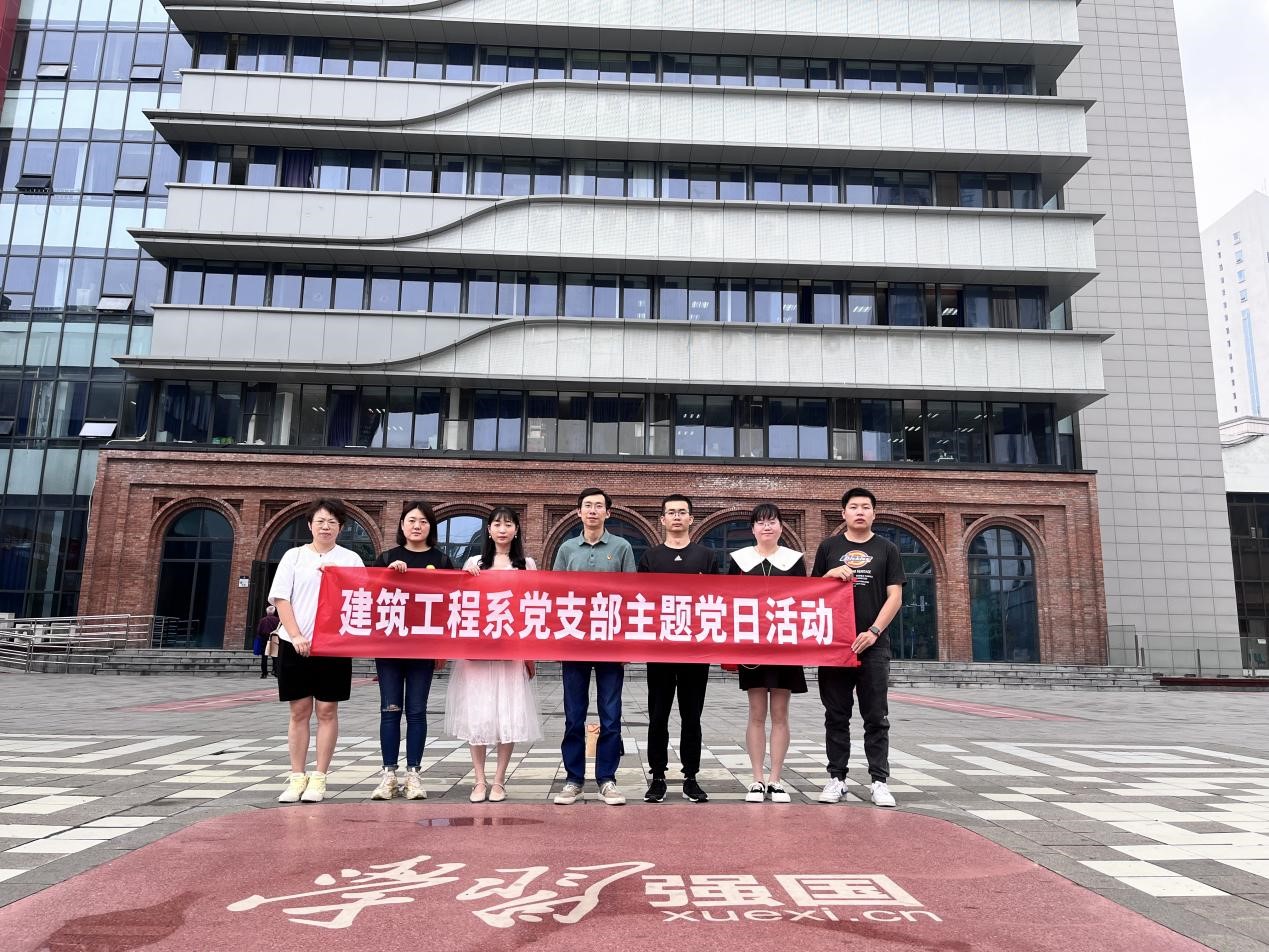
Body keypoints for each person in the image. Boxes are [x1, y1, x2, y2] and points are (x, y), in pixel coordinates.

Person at [811, 487, 905, 808]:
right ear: (844, 513)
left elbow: (895, 596)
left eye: (866, 507)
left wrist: (874, 631)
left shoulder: (887, 549)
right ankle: (836, 779)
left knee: (876, 716)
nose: (860, 511)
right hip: (836, 646)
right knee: (836, 715)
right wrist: (829, 575)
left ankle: (879, 781)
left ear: (874, 513)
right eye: (854, 507)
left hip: (873, 645)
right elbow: (812, 593)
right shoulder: (829, 547)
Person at [269, 498, 366, 804]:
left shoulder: (350, 559)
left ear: (341, 527)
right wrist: (296, 635)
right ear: (310, 525)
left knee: (327, 710)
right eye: (321, 521)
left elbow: (362, 598)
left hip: (333, 648)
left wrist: (339, 578)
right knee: (299, 711)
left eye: (332, 522)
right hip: (294, 644)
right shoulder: (294, 556)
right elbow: (281, 599)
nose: (326, 527)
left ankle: (320, 777)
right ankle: (297, 776)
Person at [451, 507, 542, 803]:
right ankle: (479, 780)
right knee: (477, 713)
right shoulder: (475, 563)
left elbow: (534, 603)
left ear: (516, 530)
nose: (503, 530)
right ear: (489, 530)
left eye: (508, 524)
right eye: (497, 525)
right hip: (478, 652)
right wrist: (465, 578)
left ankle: (499, 780)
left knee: (508, 713)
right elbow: (460, 600)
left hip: (511, 650)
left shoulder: (526, 565)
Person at [552, 487, 636, 806]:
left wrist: (627, 643)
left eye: (598, 506)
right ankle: (573, 779)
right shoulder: (566, 549)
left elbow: (631, 596)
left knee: (610, 715)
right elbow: (554, 594)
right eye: (587, 505)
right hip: (574, 641)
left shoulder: (622, 547)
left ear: (607, 513)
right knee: (573, 715)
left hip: (611, 642)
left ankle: (607, 779)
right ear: (578, 512)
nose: (592, 511)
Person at [369, 500, 452, 802]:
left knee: (417, 711)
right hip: (389, 647)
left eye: (423, 521)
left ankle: (414, 774)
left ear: (431, 527)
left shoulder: (441, 561)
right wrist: (387, 575)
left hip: (423, 648)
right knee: (390, 710)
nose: (417, 526)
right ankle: (388, 775)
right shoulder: (387, 558)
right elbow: (368, 595)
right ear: (402, 525)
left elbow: (453, 600)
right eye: (412, 520)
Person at [726, 503, 807, 804]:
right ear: (753, 529)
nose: (767, 527)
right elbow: (729, 600)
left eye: (772, 522)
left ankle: (776, 779)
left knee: (781, 714)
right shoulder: (739, 560)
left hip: (785, 645)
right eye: (760, 523)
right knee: (757, 712)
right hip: (752, 645)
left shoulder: (794, 560)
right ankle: (757, 779)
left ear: (781, 527)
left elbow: (804, 600)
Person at [638, 494, 717, 804]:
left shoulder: (706, 557)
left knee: (691, 716)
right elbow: (639, 600)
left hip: (696, 650)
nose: (676, 517)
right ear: (662, 519)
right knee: (658, 716)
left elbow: (719, 599)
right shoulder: (650, 557)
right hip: (659, 649)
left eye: (682, 512)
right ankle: (657, 777)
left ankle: (691, 777)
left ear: (691, 519)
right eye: (671, 512)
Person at [253, 605, 277, 678]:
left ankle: (264, 673)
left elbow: (258, 630)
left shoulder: (262, 620)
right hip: (274, 638)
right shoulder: (277, 620)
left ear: (267, 612)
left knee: (264, 656)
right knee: (274, 655)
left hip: (264, 638)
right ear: (274, 612)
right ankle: (275, 670)